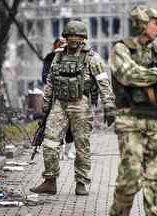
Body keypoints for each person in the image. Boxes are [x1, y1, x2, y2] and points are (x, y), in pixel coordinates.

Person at [109, 6, 157, 216]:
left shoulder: (156, 53)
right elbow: (128, 74)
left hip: (156, 122)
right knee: (129, 180)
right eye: (156, 23)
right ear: (142, 23)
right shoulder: (121, 49)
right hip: (130, 121)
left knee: (156, 181)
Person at [30, 20, 116, 196]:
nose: (74, 39)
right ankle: (50, 181)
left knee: (81, 145)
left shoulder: (92, 58)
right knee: (50, 142)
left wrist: (109, 105)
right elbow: (50, 83)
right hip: (59, 105)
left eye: (78, 36)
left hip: (81, 105)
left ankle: (81, 182)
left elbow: (103, 83)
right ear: (66, 37)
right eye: (71, 36)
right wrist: (45, 106)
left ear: (83, 38)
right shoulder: (58, 56)